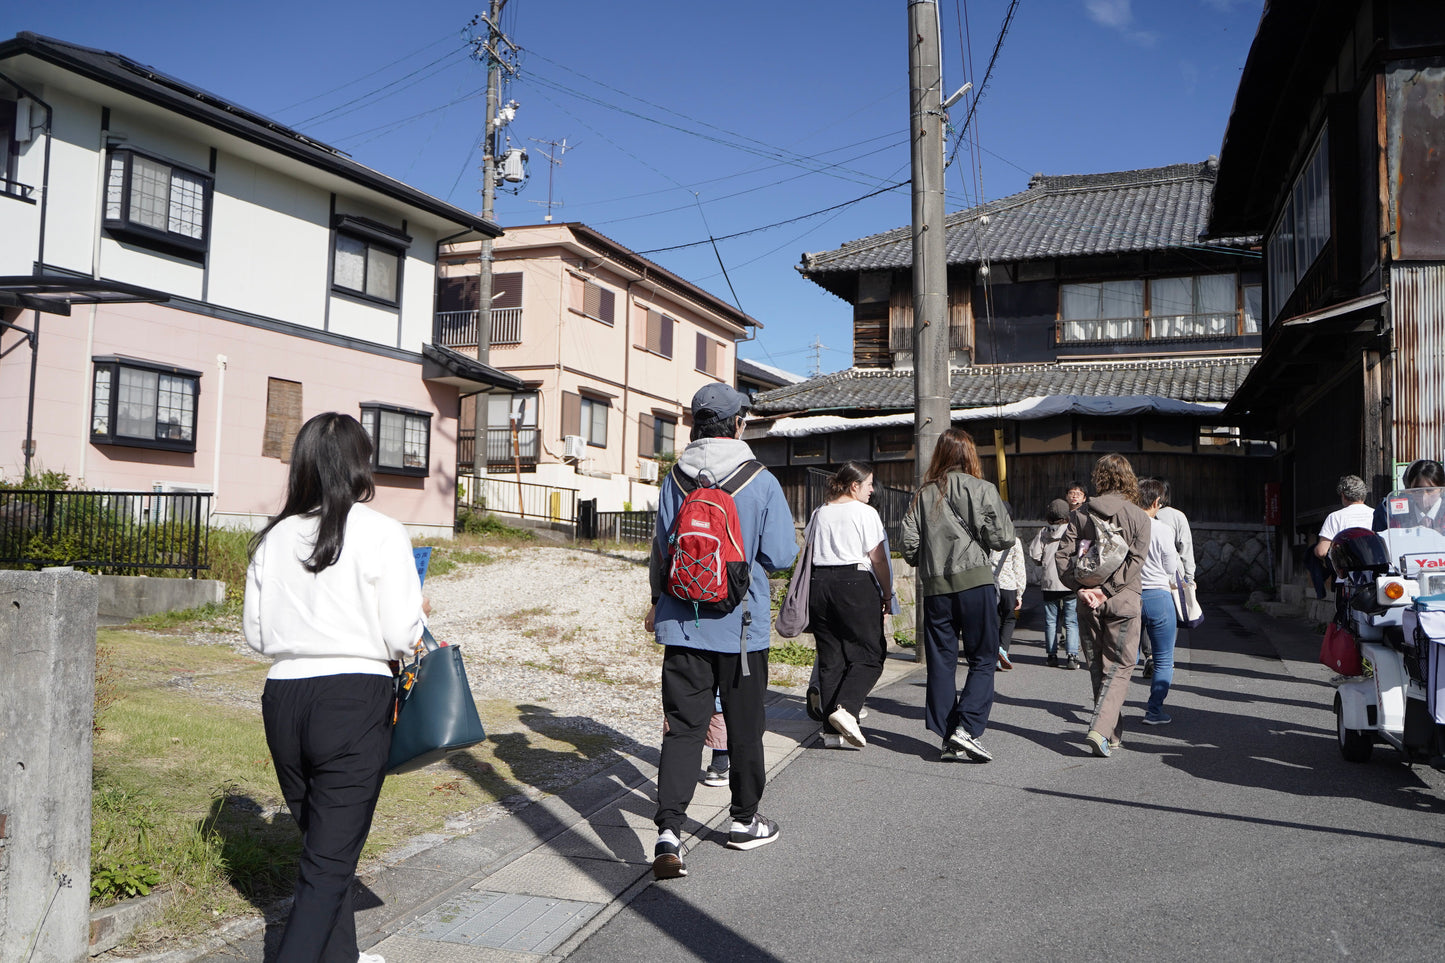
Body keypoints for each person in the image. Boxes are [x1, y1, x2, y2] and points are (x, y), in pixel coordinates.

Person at [243, 412, 426, 963]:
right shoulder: (383, 531)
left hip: (284, 696)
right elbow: (401, 634)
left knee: (325, 853)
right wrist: (417, 615)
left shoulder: (272, 537)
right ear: (360, 464)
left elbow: (256, 634)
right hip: (353, 697)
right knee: (327, 864)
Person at [645, 384, 797, 880]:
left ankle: (669, 833)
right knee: (746, 727)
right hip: (741, 632)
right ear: (739, 424)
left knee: (683, 729)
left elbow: (663, 552)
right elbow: (779, 556)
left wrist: (655, 605)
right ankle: (744, 821)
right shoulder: (761, 479)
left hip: (682, 624)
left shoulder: (676, 479)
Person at [900, 428, 1015, 763]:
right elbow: (1004, 537)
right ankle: (965, 727)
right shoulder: (982, 489)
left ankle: (947, 733)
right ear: (969, 455)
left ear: (939, 455)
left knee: (942, 662)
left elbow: (908, 545)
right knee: (983, 657)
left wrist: (929, 556)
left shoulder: (923, 494)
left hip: (936, 590)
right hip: (975, 584)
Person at [1058, 453, 1152, 758]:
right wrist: (1107, 590)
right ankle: (1100, 729)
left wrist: (1082, 589)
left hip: (1088, 603)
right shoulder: (1139, 517)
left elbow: (1062, 558)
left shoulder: (1080, 514)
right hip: (1123, 601)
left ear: (1099, 479)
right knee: (1122, 666)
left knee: (1098, 666)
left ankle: (1111, 734)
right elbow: (1136, 562)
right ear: (1128, 479)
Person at [806, 461, 891, 749]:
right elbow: (878, 558)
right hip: (854, 582)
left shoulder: (820, 512)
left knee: (831, 659)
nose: (871, 490)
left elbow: (808, 547)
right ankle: (847, 710)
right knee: (870, 653)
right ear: (854, 485)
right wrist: (888, 593)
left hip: (820, 585)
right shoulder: (865, 512)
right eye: (868, 484)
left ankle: (830, 732)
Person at [1136, 478, 1184, 726]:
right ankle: (1154, 711)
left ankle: (1108, 714)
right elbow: (1170, 566)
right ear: (1156, 502)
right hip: (1159, 595)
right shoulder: (1164, 529)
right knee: (1164, 658)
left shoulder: (1126, 527)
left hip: (1130, 595)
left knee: (1123, 660)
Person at [1148, 478, 1196, 678]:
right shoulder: (1177, 516)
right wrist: (1190, 576)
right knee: (1170, 616)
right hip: (1171, 573)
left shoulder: (1136, 515)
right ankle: (1165, 658)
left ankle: (1149, 656)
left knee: (1144, 618)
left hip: (1143, 574)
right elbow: (1186, 547)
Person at [1028, 498, 1081, 669]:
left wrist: (1043, 562)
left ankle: (1051, 655)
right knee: (1071, 620)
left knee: (1051, 620)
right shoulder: (1073, 531)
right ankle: (1072, 655)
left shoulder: (1044, 532)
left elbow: (1035, 554)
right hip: (1069, 581)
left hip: (1050, 583)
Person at [1372, 459, 1445, 532]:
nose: (1424, 496)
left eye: (1430, 490)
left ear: (1441, 488)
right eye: (1417, 490)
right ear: (1409, 489)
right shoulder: (1391, 512)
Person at [1315, 475, 1375, 561]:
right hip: (1374, 566)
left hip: (1347, 569)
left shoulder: (1335, 517)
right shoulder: (1376, 513)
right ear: (1363, 494)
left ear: (1343, 495)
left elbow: (1322, 551)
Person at [991, 531, 1025, 670]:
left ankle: (993, 654)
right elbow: (1019, 568)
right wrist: (1019, 594)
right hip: (1008, 586)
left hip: (990, 584)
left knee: (993, 620)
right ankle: (1002, 649)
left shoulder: (987, 538)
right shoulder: (1014, 540)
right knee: (1009, 618)